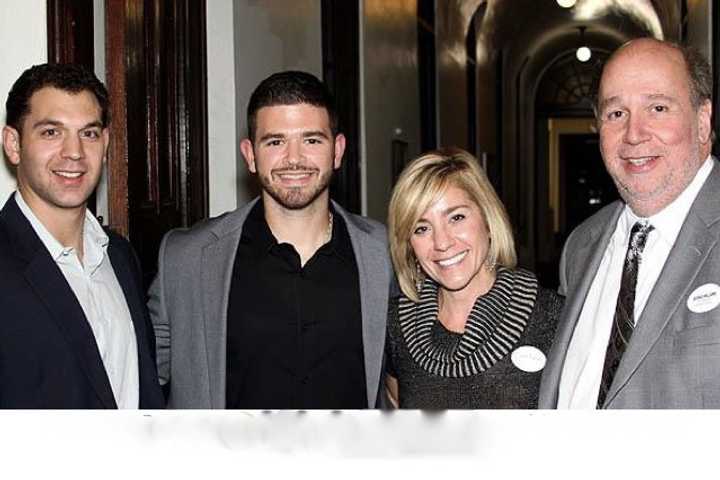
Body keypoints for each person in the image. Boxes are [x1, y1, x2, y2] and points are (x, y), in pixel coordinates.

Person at [149, 71, 392, 408]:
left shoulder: (385, 254)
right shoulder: (186, 259)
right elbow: (139, 381)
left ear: (337, 151)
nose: (294, 159)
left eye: (311, 140)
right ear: (250, 154)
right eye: (275, 141)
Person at [539, 38, 720, 409]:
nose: (634, 135)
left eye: (657, 108)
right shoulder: (581, 246)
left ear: (702, 121)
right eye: (616, 114)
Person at [0, 63, 163, 408]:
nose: (74, 152)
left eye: (88, 133)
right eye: (51, 133)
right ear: (13, 144)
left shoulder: (120, 256)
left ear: (104, 144)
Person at [385, 148, 563, 408]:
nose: (442, 242)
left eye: (456, 217)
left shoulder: (555, 317)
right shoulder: (396, 327)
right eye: (421, 228)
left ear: (488, 220)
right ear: (408, 245)